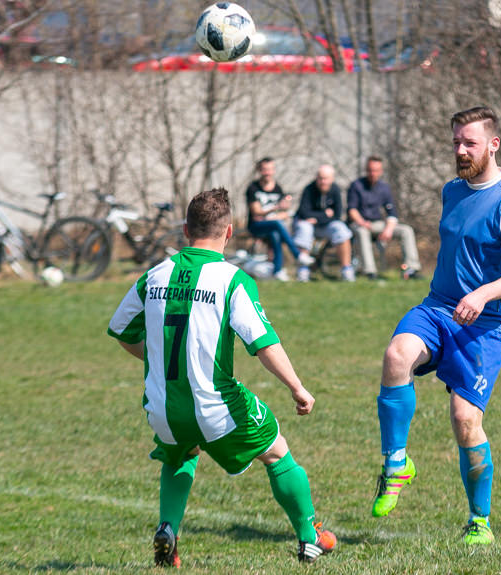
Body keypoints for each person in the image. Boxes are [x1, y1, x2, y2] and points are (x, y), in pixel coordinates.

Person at [107, 188, 337, 566]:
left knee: (180, 452)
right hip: (214, 406)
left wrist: (161, 361)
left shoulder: (153, 275)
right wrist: (297, 387)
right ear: (229, 233)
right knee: (277, 451)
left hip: (162, 408)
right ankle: (310, 537)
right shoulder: (232, 280)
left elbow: (121, 330)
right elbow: (263, 344)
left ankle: (168, 528)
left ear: (185, 229)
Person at [371, 106, 501, 545]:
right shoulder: (451, 190)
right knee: (396, 356)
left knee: (465, 421)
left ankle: (479, 521)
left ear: (493, 144)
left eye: (470, 143)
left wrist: (483, 294)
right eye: (456, 143)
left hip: (485, 323)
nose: (461, 151)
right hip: (438, 308)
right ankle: (396, 462)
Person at [347, 156, 422, 279]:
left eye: (376, 170)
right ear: (366, 170)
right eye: (370, 170)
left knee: (406, 230)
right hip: (359, 224)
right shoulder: (356, 186)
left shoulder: (384, 188)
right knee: (362, 232)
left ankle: (411, 269)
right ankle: (370, 271)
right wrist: (361, 222)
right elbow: (352, 210)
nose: (373, 173)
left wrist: (388, 229)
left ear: (381, 171)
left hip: (377, 224)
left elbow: (391, 213)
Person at [245, 157, 315, 281]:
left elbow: (285, 213)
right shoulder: (253, 188)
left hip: (272, 225)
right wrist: (276, 208)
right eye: (265, 170)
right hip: (256, 226)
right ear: (259, 170)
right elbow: (256, 212)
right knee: (277, 224)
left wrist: (282, 209)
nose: (268, 173)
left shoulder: (278, 188)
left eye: (270, 169)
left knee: (275, 233)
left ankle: (277, 271)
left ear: (274, 170)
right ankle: (297, 254)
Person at [293, 164, 355, 282]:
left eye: (325, 178)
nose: (323, 181)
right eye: (320, 178)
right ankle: (303, 270)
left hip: (326, 226)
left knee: (341, 229)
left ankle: (346, 269)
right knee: (304, 228)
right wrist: (325, 215)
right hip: (309, 225)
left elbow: (337, 215)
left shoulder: (335, 190)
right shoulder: (309, 189)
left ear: (332, 179)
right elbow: (304, 213)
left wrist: (318, 218)